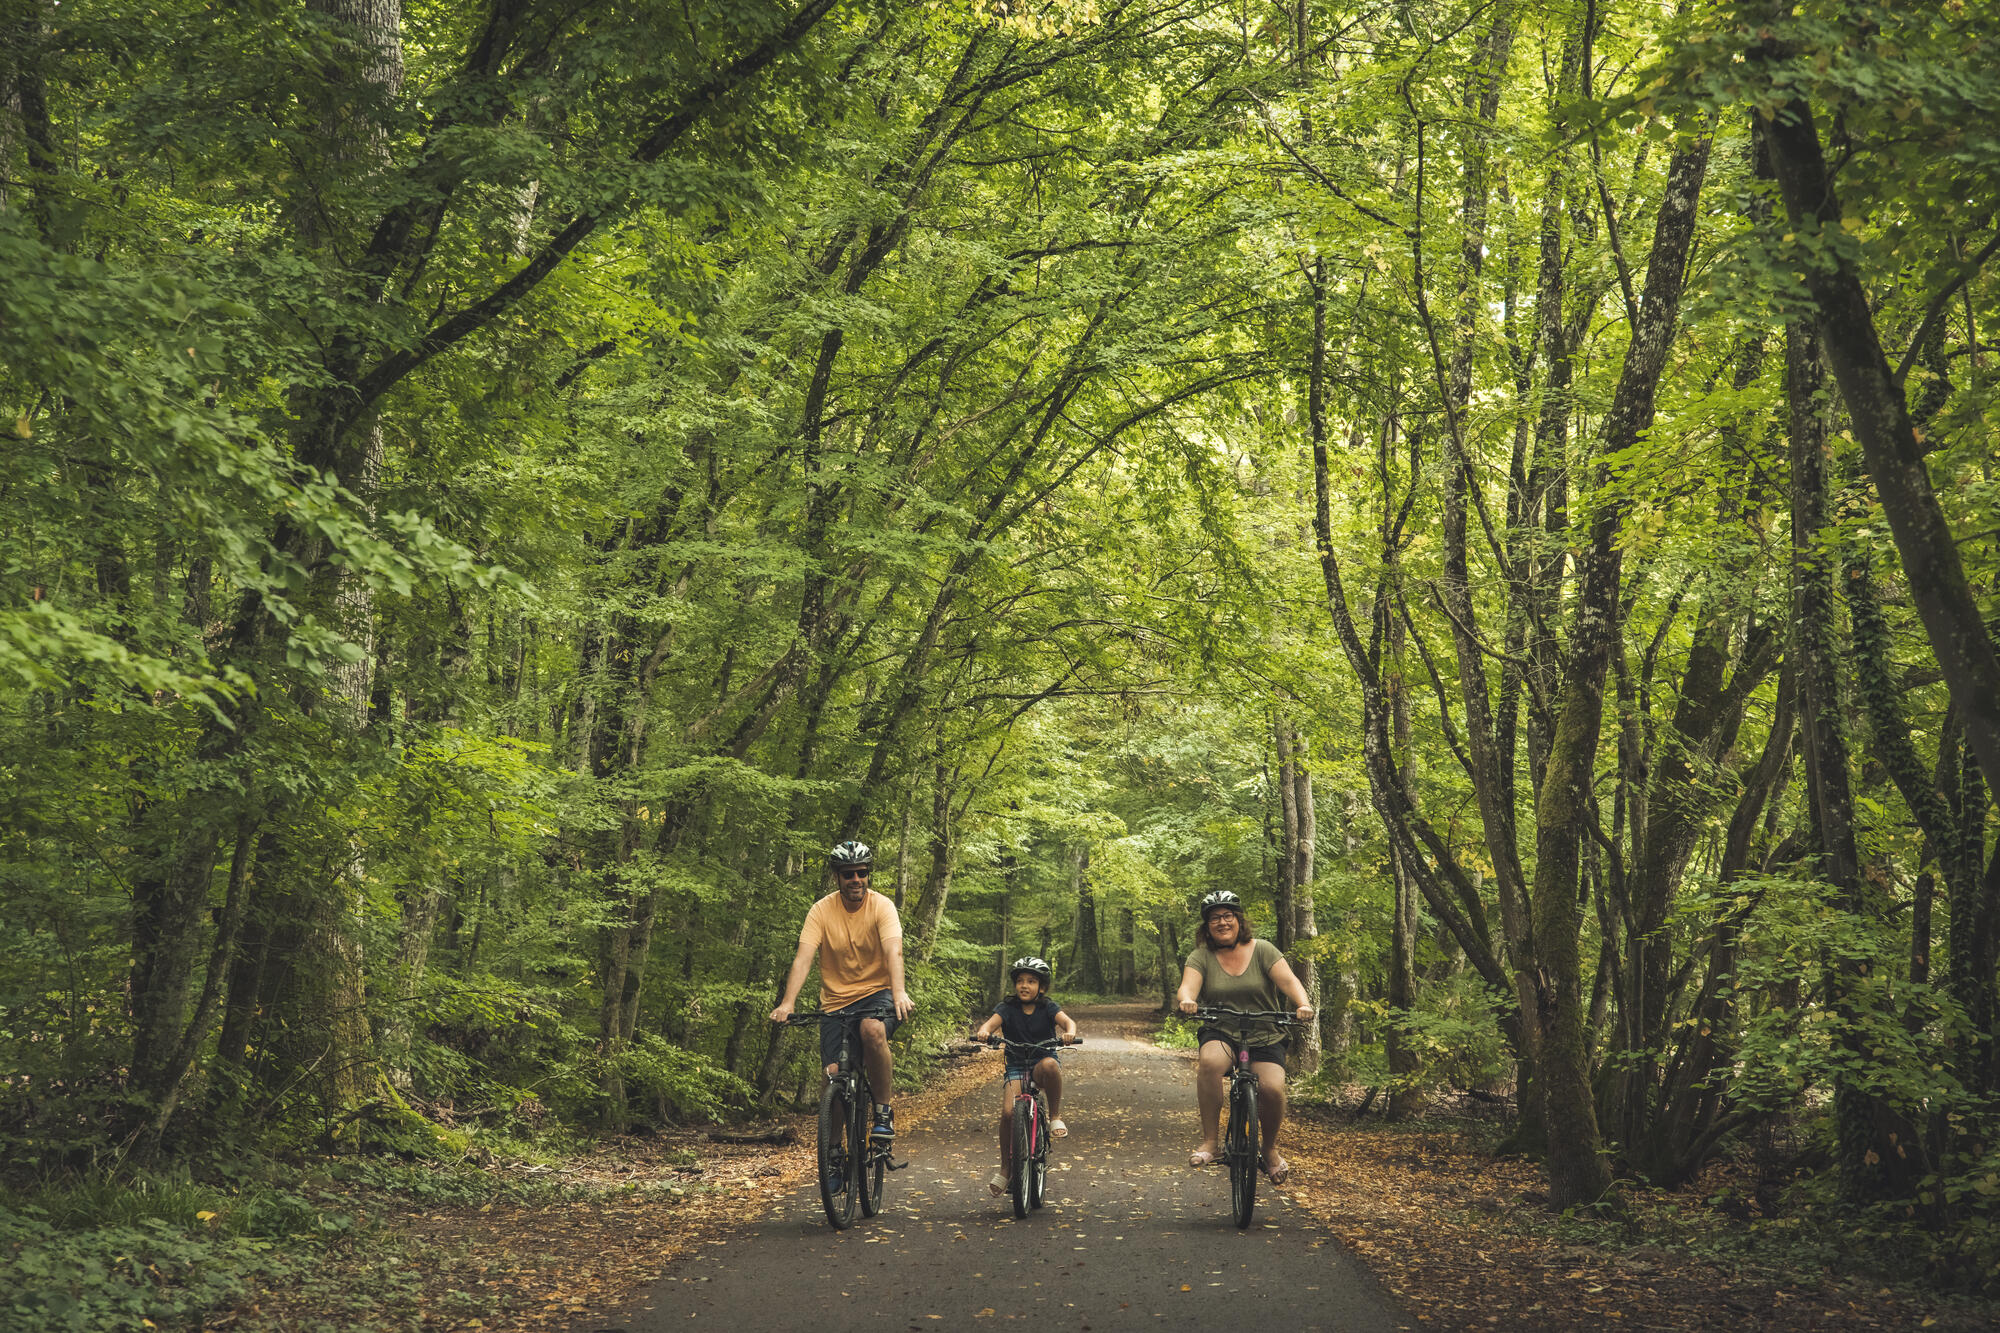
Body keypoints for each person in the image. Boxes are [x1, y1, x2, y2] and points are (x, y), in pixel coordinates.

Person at [770, 840, 913, 1142]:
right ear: (838, 877)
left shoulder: (882, 907)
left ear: (868, 874)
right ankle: (833, 1151)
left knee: (872, 1031)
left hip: (878, 993)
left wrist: (899, 993)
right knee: (832, 1075)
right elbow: (803, 958)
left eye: (861, 873)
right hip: (836, 1003)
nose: (856, 880)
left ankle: (883, 1113)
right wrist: (787, 1002)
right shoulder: (821, 911)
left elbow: (894, 953)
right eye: (848, 874)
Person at [1176, 889, 1314, 1185]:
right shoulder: (1201, 956)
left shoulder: (1263, 949)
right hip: (1222, 1029)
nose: (1222, 922)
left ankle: (1270, 1149)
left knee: (1273, 1089)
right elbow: (1188, 987)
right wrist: (1188, 1000)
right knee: (1210, 1063)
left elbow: (1289, 981)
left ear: (1238, 920)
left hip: (1265, 1031)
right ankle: (1211, 1142)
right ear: (1207, 926)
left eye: (1228, 916)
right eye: (1215, 918)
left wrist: (1302, 1004)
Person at [971, 956, 1078, 1196]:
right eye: (1020, 981)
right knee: (1008, 1113)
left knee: (1051, 1065)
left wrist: (1069, 1033)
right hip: (1017, 1064)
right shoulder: (1007, 1008)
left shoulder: (1048, 1007)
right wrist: (983, 1032)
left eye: (1031, 981)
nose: (1025, 985)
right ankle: (1006, 1169)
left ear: (1042, 987)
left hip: (1041, 1062)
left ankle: (1055, 1116)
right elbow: (989, 1025)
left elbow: (1067, 1022)